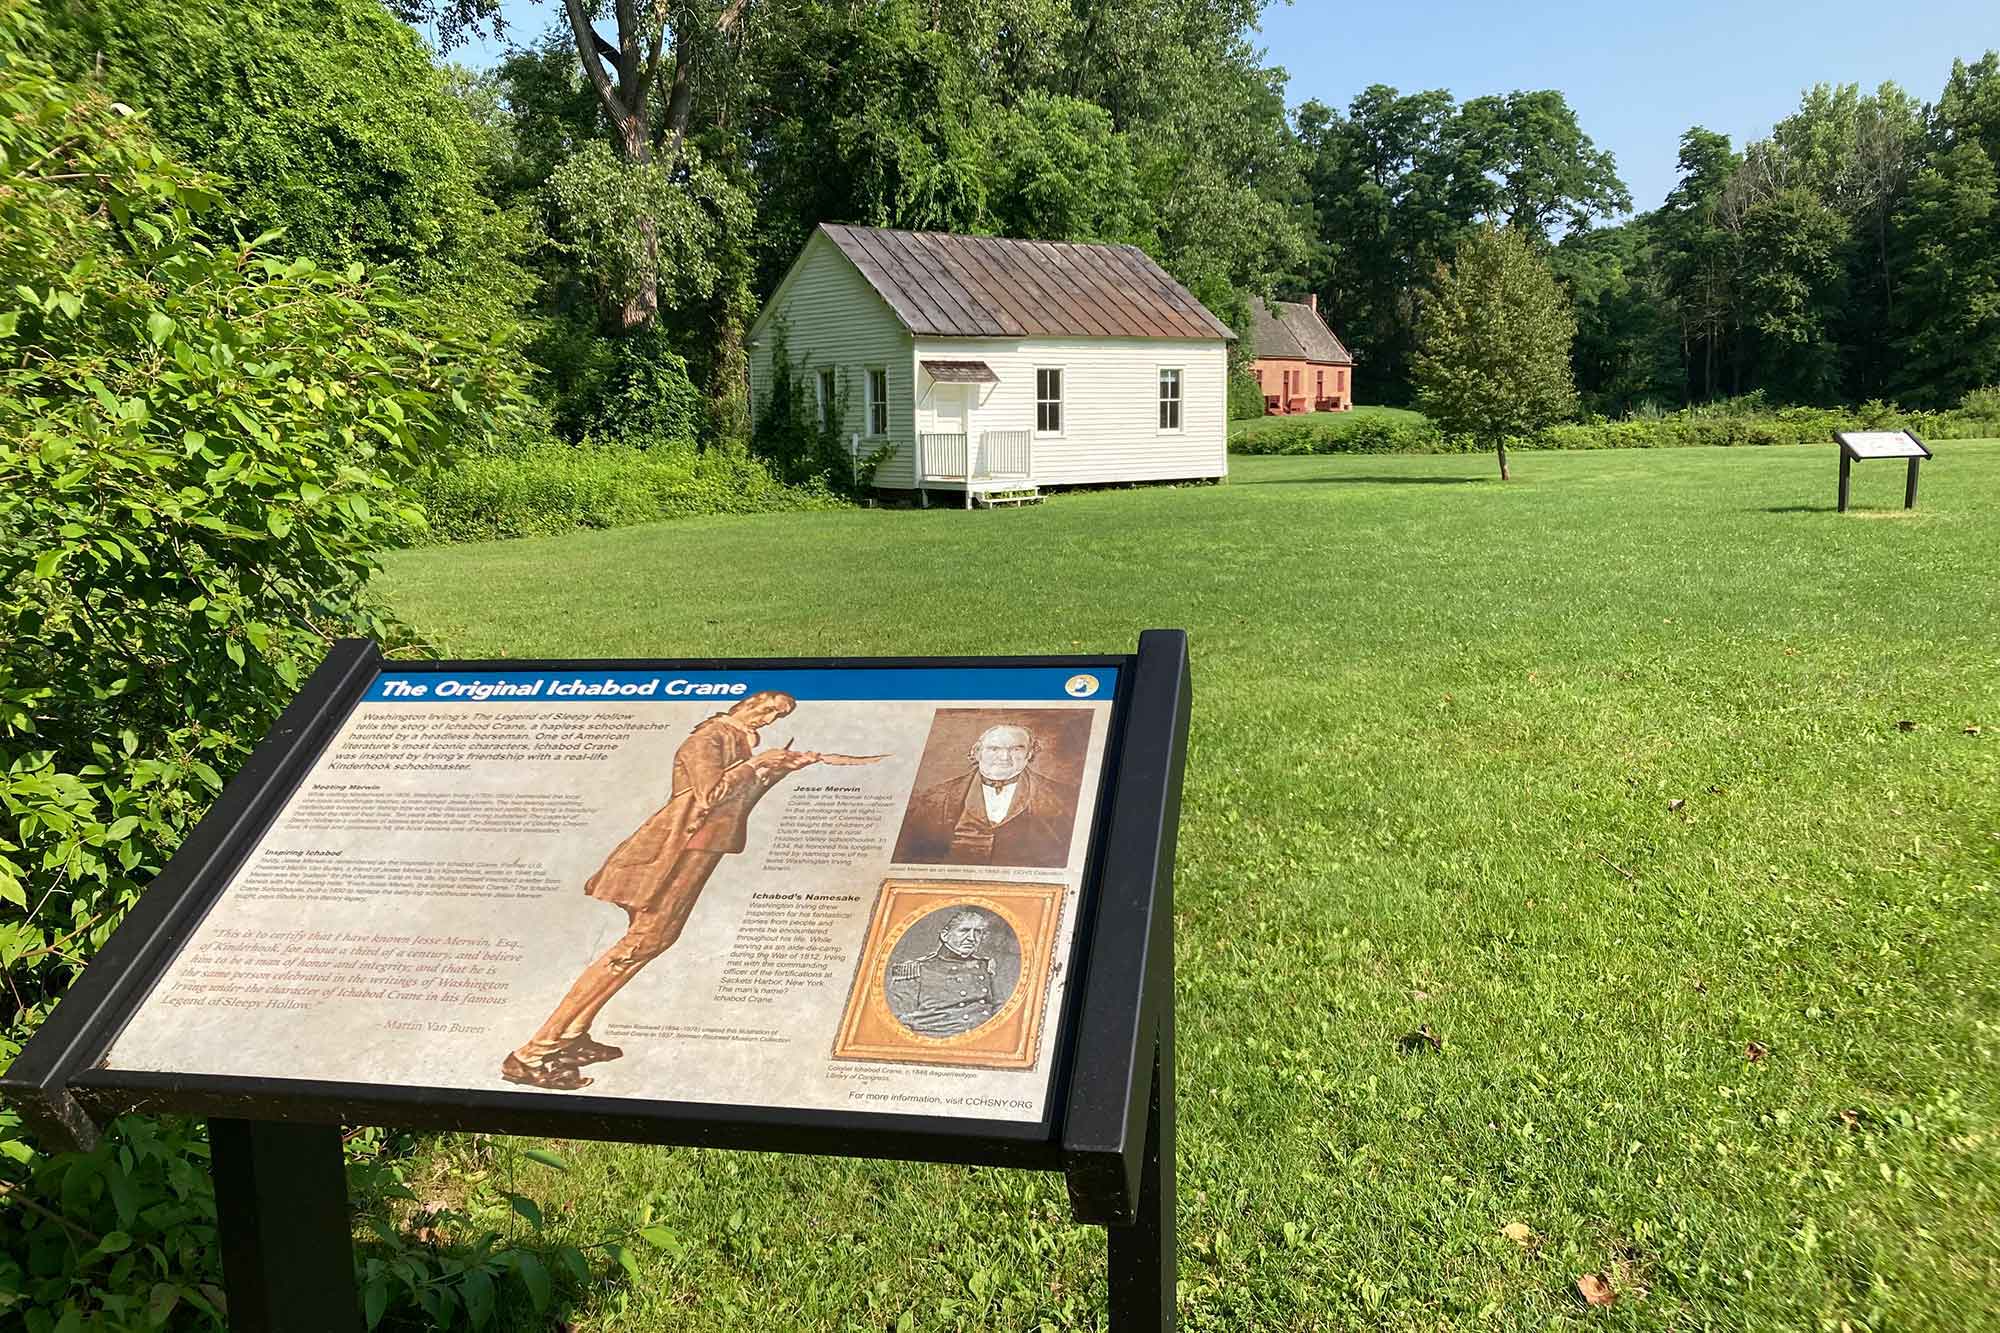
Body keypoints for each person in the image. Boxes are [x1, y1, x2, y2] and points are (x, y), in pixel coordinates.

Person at [502, 691, 821, 1090]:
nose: (771, 719)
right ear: (747, 704)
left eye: (780, 715)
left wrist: (783, 768)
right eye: (769, 709)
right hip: (671, 853)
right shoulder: (708, 738)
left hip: (699, 851)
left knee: (655, 941)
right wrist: (758, 763)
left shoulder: (739, 742)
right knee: (638, 943)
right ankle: (530, 1053)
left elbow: (738, 800)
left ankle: (570, 1037)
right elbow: (711, 795)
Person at [892, 722, 1078, 867]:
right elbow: (912, 853)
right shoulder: (936, 796)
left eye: (1016, 749)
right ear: (977, 752)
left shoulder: (1065, 797)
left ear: (1030, 754)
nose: (1004, 757)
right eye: (994, 749)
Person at [887, 909, 1003, 1036]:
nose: (971, 938)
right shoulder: (916, 969)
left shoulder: (985, 966)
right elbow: (900, 1020)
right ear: (944, 935)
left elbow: (999, 1008)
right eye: (964, 930)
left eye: (978, 932)